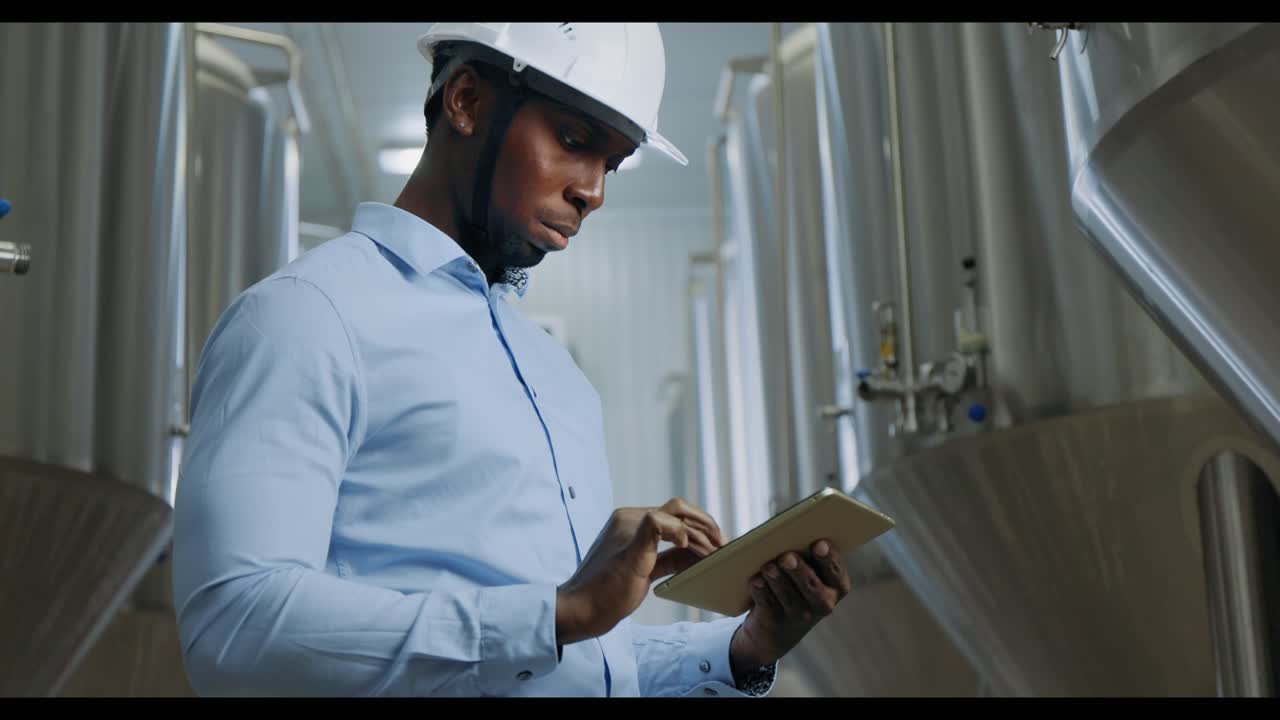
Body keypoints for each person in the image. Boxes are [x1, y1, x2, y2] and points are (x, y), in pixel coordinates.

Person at [172, 22, 853, 698]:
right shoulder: (308, 315)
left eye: (611, 165)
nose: (595, 192)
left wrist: (747, 645)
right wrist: (559, 613)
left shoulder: (558, 379)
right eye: (575, 141)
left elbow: (574, 665)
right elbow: (235, 632)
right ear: (466, 100)